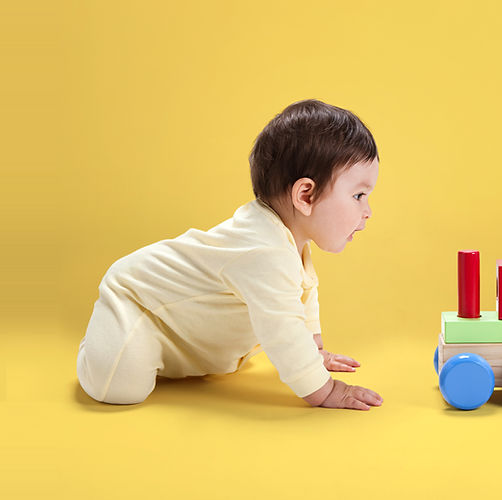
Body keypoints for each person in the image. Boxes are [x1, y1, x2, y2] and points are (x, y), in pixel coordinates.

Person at [76, 99, 383, 410]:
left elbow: (303, 296)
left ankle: (154, 353)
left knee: (207, 359)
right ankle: (99, 345)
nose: (368, 211)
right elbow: (283, 331)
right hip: (138, 302)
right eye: (358, 195)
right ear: (305, 195)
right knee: (120, 389)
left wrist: (315, 351)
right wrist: (326, 390)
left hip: (180, 326)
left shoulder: (290, 241)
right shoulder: (263, 250)